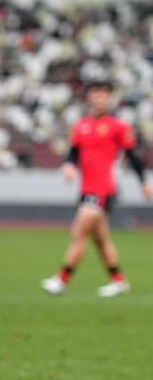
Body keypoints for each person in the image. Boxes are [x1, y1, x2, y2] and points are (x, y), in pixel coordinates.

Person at [41, 80, 153, 297]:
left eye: (104, 94)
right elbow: (73, 152)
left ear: (109, 97)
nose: (99, 97)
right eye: (95, 93)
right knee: (101, 240)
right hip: (86, 188)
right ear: (89, 97)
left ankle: (61, 279)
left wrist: (144, 183)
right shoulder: (81, 125)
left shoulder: (118, 126)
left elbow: (133, 157)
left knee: (79, 231)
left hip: (103, 189)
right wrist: (69, 166)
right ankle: (118, 280)